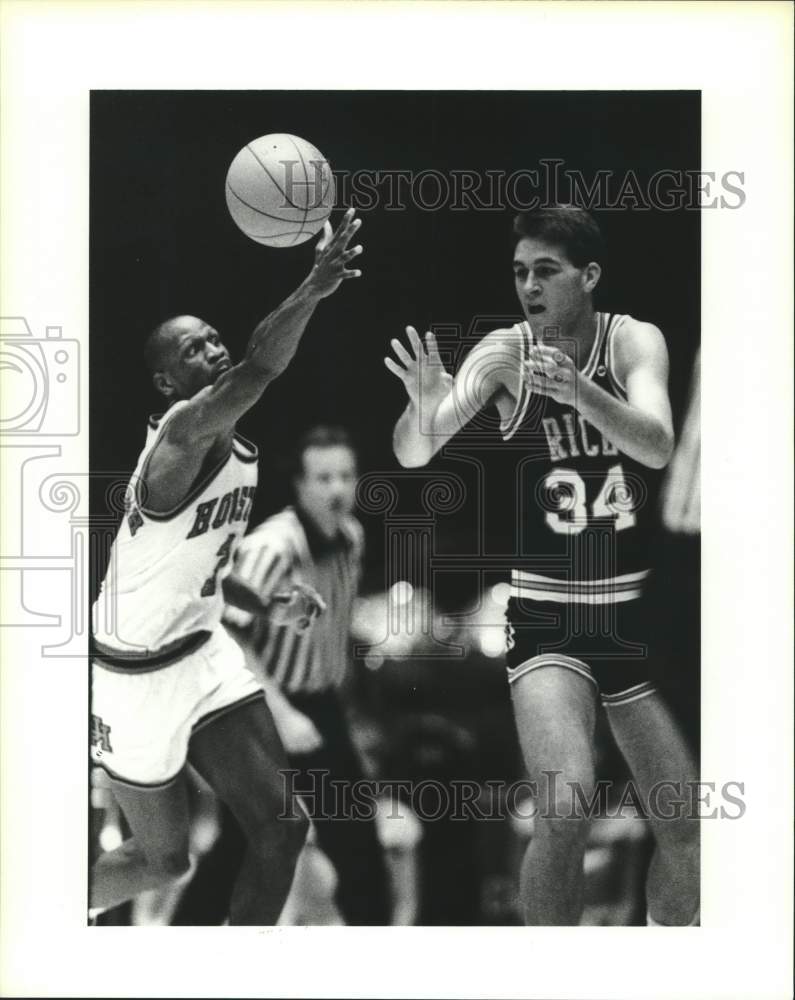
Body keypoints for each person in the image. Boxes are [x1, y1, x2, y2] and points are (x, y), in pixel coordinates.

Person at [385, 205, 699, 926]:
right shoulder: (502, 352)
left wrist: (580, 393)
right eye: (520, 271)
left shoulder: (631, 342)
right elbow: (413, 451)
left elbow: (655, 444)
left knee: (687, 830)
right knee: (563, 805)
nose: (528, 284)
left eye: (545, 270)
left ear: (588, 276)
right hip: (546, 614)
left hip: (632, 616)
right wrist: (422, 409)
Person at [89, 208, 364, 925]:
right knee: (163, 859)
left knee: (283, 825)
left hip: (204, 650)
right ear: (163, 383)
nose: (210, 349)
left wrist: (264, 602)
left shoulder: (238, 454)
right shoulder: (180, 437)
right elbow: (263, 363)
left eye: (212, 339)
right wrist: (313, 285)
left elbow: (205, 567)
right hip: (133, 672)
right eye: (191, 350)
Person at [172, 426, 391, 926]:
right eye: (323, 477)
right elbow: (224, 633)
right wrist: (283, 712)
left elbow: (332, 631)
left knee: (356, 838)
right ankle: (181, 945)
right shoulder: (272, 548)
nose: (336, 488)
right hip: (258, 706)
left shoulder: (351, 536)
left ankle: (380, 956)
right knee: (245, 840)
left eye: (345, 475)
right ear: (299, 485)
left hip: (320, 703)